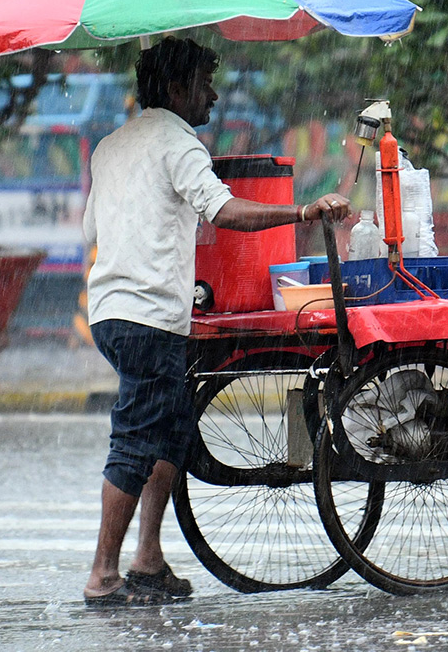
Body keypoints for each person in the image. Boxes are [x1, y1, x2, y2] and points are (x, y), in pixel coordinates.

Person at [81, 37, 351, 606]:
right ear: (177, 87)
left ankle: (147, 560)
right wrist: (302, 211)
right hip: (149, 314)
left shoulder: (110, 145)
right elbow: (224, 212)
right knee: (135, 439)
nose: (213, 93)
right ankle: (103, 575)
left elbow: (92, 233)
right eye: (205, 81)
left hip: (110, 310)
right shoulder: (180, 145)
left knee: (169, 427)